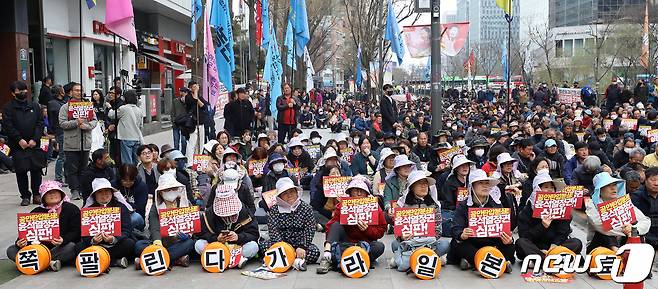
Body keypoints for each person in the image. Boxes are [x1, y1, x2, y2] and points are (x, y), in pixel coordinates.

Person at [316, 176, 387, 274]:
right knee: (335, 225)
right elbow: (330, 227)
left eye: (362, 191)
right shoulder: (343, 205)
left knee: (379, 247)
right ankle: (327, 256)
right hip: (345, 242)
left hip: (364, 244)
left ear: (366, 193)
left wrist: (367, 229)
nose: (358, 194)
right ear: (350, 192)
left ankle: (345, 257)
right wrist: (343, 218)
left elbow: (381, 231)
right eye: (355, 190)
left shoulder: (374, 206)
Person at [448, 169, 515, 271]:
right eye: (480, 183)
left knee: (510, 245)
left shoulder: (497, 204)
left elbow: (504, 229)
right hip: (472, 243)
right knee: (457, 243)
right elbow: (456, 228)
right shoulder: (463, 205)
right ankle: (497, 262)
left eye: (487, 183)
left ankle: (474, 262)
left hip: (492, 242)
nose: (485, 186)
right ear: (472, 186)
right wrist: (462, 234)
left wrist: (508, 239)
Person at [6, 181, 80, 270]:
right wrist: (20, 243)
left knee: (71, 247)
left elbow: (76, 231)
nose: (52, 195)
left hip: (58, 248)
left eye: (55, 192)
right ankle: (49, 263)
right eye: (48, 193)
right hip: (37, 249)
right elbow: (24, 233)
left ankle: (38, 263)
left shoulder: (71, 209)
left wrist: (63, 240)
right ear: (43, 197)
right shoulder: (36, 211)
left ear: (61, 194)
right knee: (11, 250)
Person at [389, 170, 449, 271]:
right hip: (410, 243)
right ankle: (430, 258)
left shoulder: (434, 206)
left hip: (429, 243)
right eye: (420, 184)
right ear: (412, 187)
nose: (424, 186)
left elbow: (438, 231)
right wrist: (402, 237)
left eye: (425, 184)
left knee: (445, 244)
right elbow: (398, 233)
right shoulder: (403, 206)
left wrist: (426, 237)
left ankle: (407, 259)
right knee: (395, 244)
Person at [515, 172, 583, 260]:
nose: (550, 190)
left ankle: (542, 259)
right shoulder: (527, 210)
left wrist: (553, 247)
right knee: (520, 243)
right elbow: (525, 236)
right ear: (537, 189)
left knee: (576, 243)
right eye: (546, 187)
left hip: (555, 246)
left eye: (552, 187)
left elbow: (563, 233)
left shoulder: (561, 207)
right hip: (535, 247)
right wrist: (542, 226)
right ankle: (549, 259)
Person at [135, 172, 196, 268]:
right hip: (160, 242)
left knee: (190, 243)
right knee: (139, 245)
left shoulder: (185, 203)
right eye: (167, 189)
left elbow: (192, 223)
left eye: (174, 188)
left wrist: (188, 234)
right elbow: (154, 227)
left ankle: (148, 260)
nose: (171, 191)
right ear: (161, 192)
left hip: (178, 242)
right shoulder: (156, 207)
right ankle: (174, 260)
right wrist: (158, 242)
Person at [259, 177, 320, 271]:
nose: (289, 195)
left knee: (314, 251)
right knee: (263, 246)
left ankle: (285, 260)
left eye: (291, 191)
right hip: (281, 244)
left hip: (299, 244)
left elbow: (310, 229)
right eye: (285, 193)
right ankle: (295, 261)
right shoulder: (275, 210)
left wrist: (302, 246)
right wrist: (282, 247)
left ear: (296, 192)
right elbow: (273, 230)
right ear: (280, 196)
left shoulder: (306, 208)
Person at [3, 81, 46, 205]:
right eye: (19, 90)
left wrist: (35, 139)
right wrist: (19, 139)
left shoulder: (34, 105)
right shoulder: (8, 107)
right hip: (18, 145)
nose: (23, 92)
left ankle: (37, 194)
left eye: (24, 90)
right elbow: (8, 126)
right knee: (21, 171)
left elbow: (40, 123)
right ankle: (25, 196)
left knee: (36, 170)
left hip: (34, 143)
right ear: (13, 93)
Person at [195, 186, 260, 268]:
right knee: (199, 244)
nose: (228, 216)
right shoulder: (209, 214)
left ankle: (221, 260)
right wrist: (216, 238)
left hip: (238, 247)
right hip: (216, 246)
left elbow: (254, 234)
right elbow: (200, 234)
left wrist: (238, 237)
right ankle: (235, 260)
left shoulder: (245, 212)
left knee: (253, 246)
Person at [78, 178, 136, 268]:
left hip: (115, 244)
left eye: (107, 191)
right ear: (94, 195)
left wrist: (113, 239)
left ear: (112, 193)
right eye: (100, 192)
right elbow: (84, 233)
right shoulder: (88, 210)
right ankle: (114, 262)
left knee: (129, 244)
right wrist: (93, 240)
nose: (104, 194)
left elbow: (127, 229)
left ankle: (101, 261)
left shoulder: (120, 206)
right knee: (79, 247)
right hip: (96, 246)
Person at [589, 172, 650, 252]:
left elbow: (645, 220)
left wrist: (633, 229)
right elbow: (599, 225)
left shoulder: (622, 203)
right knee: (605, 231)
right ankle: (617, 253)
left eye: (614, 184)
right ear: (599, 189)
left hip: (623, 242)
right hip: (600, 247)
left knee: (636, 231)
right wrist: (625, 230)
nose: (613, 188)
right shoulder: (591, 204)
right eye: (608, 186)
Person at [59, 82, 98, 200]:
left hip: (85, 142)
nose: (78, 92)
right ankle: (74, 190)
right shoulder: (65, 107)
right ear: (71, 92)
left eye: (80, 90)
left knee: (84, 168)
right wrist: (76, 122)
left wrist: (86, 126)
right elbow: (62, 123)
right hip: (71, 143)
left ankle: (83, 188)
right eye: (76, 90)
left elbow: (94, 121)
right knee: (72, 169)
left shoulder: (88, 105)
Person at [439, 154, 473, 237]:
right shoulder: (449, 182)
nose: (465, 168)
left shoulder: (473, 180)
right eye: (461, 166)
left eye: (466, 165)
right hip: (454, 211)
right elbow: (448, 203)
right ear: (456, 168)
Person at [107, 90, 144, 166]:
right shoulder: (139, 110)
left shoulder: (123, 108)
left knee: (127, 160)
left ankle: (128, 175)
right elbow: (141, 125)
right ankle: (135, 175)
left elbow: (112, 115)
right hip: (136, 138)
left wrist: (109, 107)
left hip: (126, 137)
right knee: (135, 160)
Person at [113, 163, 148, 231]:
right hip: (117, 217)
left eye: (131, 180)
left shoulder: (141, 186)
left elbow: (140, 207)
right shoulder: (113, 185)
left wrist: (123, 204)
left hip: (134, 216)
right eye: (124, 181)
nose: (128, 183)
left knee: (136, 218)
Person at [383, 155, 416, 222]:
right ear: (397, 170)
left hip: (413, 209)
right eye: (403, 166)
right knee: (384, 216)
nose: (407, 168)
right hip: (396, 210)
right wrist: (389, 208)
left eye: (408, 166)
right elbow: (387, 199)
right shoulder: (390, 182)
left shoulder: (415, 180)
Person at [631, 167, 658, 248]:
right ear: (645, 180)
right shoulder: (637, 196)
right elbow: (637, 221)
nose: (656, 183)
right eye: (653, 180)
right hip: (646, 232)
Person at [48, 85, 67, 184]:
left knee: (66, 155)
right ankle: (58, 178)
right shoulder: (53, 103)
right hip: (60, 131)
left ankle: (66, 177)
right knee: (62, 156)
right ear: (60, 92)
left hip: (64, 131)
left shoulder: (62, 102)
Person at [105, 86, 124, 164]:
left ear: (118, 95)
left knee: (118, 154)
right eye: (110, 92)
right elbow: (106, 116)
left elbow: (117, 117)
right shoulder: (109, 103)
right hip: (110, 132)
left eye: (112, 93)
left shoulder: (121, 105)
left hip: (118, 133)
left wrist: (113, 126)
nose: (110, 95)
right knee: (112, 154)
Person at [171, 87, 189, 155]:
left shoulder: (188, 101)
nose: (181, 93)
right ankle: (176, 155)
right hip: (176, 123)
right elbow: (172, 112)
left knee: (184, 141)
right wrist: (173, 120)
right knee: (176, 141)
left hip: (184, 124)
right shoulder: (175, 101)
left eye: (183, 92)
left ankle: (182, 154)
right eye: (181, 92)